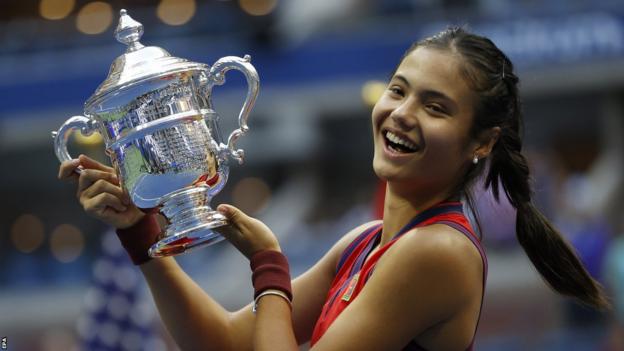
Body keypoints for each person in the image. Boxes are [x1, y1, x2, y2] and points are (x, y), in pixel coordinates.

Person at [58, 27, 609, 350]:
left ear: (480, 143)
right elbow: (223, 343)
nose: (402, 114)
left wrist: (270, 266)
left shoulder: (436, 251)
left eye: (435, 107)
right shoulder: (368, 241)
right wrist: (141, 234)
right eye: (399, 90)